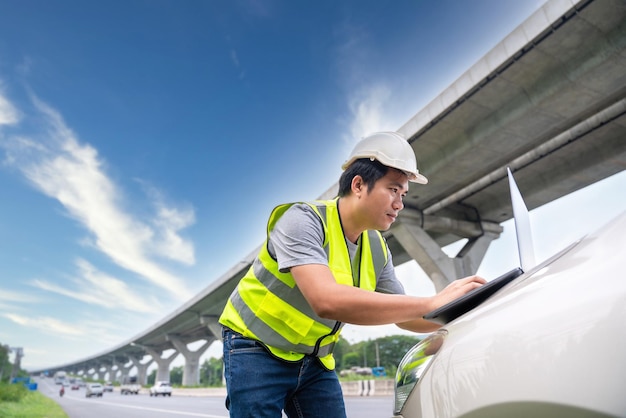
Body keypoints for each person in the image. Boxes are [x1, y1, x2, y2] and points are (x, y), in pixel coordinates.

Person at [218, 131, 486, 418]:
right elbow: (326, 300)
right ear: (358, 185)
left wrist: (465, 308)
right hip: (255, 349)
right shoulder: (301, 220)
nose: (400, 204)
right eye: (393, 190)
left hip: (314, 360)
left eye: (403, 194)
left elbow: (407, 317)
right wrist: (433, 301)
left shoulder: (377, 249)